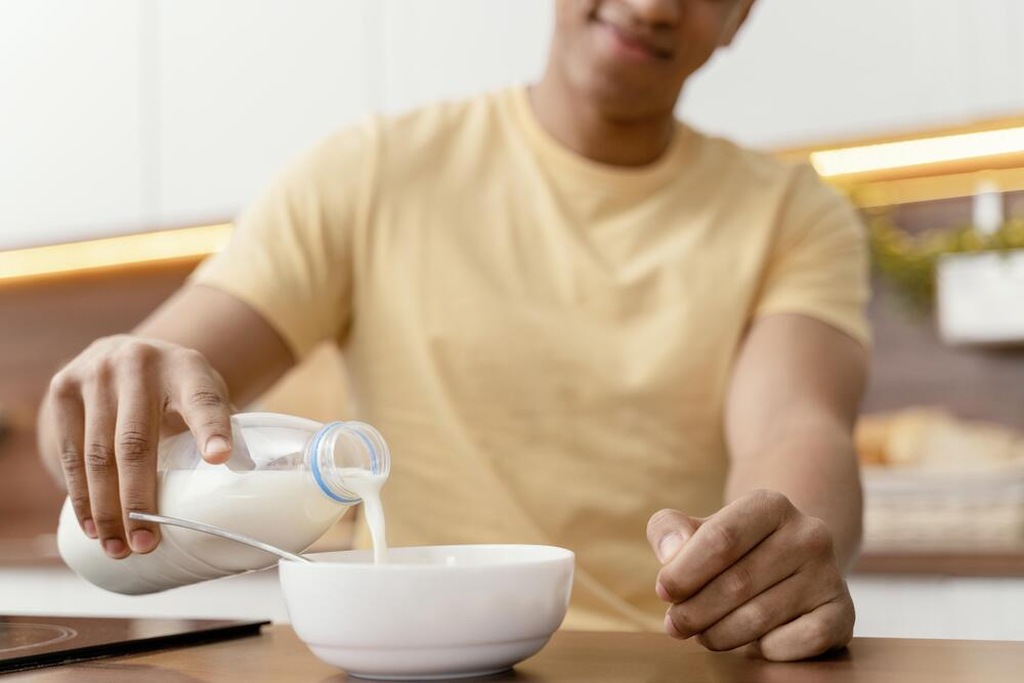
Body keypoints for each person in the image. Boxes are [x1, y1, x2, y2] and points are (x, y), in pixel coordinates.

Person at [38, 0, 870, 662]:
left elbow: (798, 425)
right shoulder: (371, 175)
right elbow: (114, 406)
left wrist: (784, 548)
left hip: (667, 658)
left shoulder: (794, 215)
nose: (655, 5)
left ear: (741, 17)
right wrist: (100, 399)